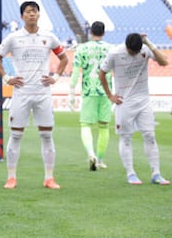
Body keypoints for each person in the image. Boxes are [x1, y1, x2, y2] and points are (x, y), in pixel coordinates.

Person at [0, 1, 68, 190]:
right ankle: (11, 177)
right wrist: (7, 78)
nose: (32, 14)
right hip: (22, 93)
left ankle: (49, 178)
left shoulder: (48, 37)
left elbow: (64, 58)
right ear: (22, 16)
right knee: (16, 135)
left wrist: (55, 77)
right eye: (28, 12)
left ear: (39, 14)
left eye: (34, 11)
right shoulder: (13, 38)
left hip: (43, 93)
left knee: (47, 135)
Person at [98, 33, 170, 185]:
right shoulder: (115, 53)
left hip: (144, 101)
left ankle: (156, 173)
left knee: (150, 135)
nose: (135, 54)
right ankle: (130, 173)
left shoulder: (144, 49)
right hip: (124, 102)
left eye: (137, 51)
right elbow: (102, 73)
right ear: (126, 46)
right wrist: (110, 95)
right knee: (126, 137)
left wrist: (148, 42)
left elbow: (164, 62)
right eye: (132, 52)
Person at [68, 21, 113, 170]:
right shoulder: (111, 49)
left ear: (90, 32)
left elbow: (76, 72)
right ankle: (100, 160)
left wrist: (71, 92)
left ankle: (91, 154)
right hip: (106, 91)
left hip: (89, 90)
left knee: (86, 125)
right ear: (104, 33)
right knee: (104, 126)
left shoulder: (81, 48)